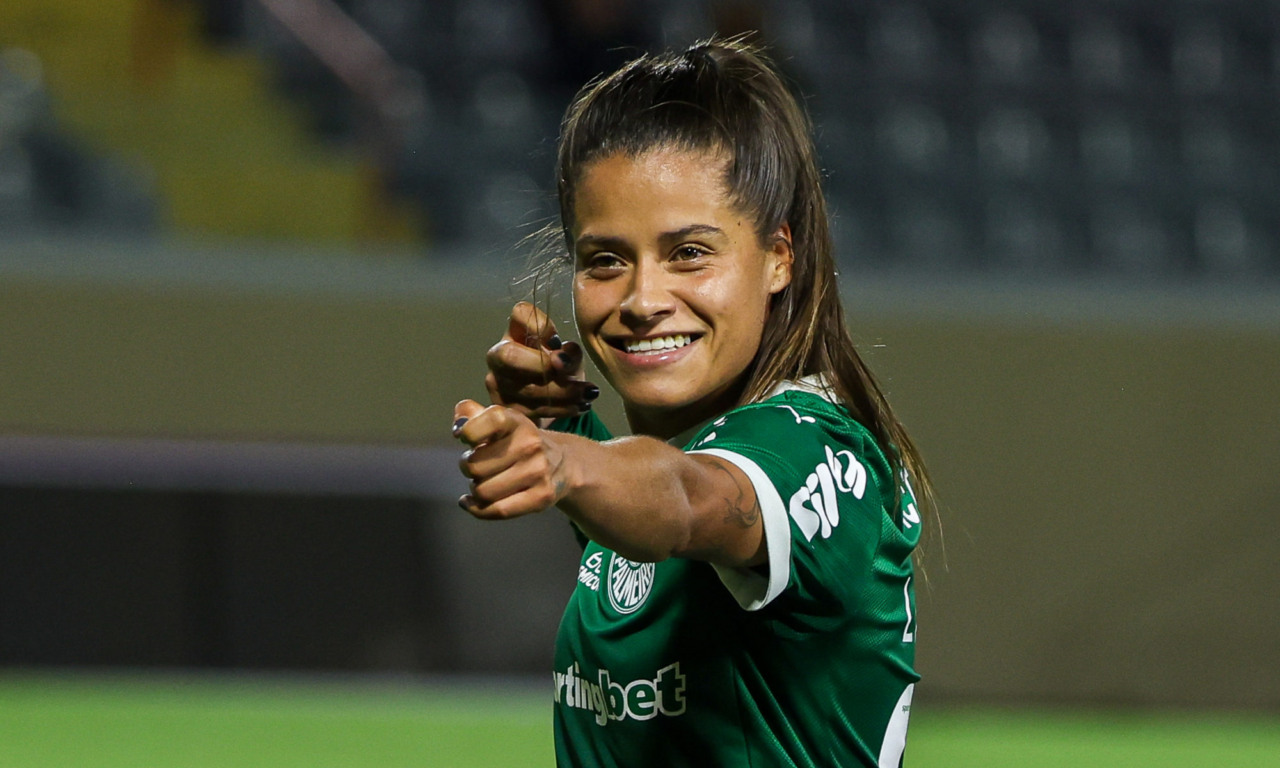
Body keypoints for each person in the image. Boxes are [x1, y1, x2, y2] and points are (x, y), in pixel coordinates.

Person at [452, 36, 935, 768]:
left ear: (779, 257)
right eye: (606, 260)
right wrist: (561, 424)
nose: (644, 300)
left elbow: (689, 503)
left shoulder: (820, 451)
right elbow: (662, 525)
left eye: (690, 253)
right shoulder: (679, 453)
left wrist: (566, 462)